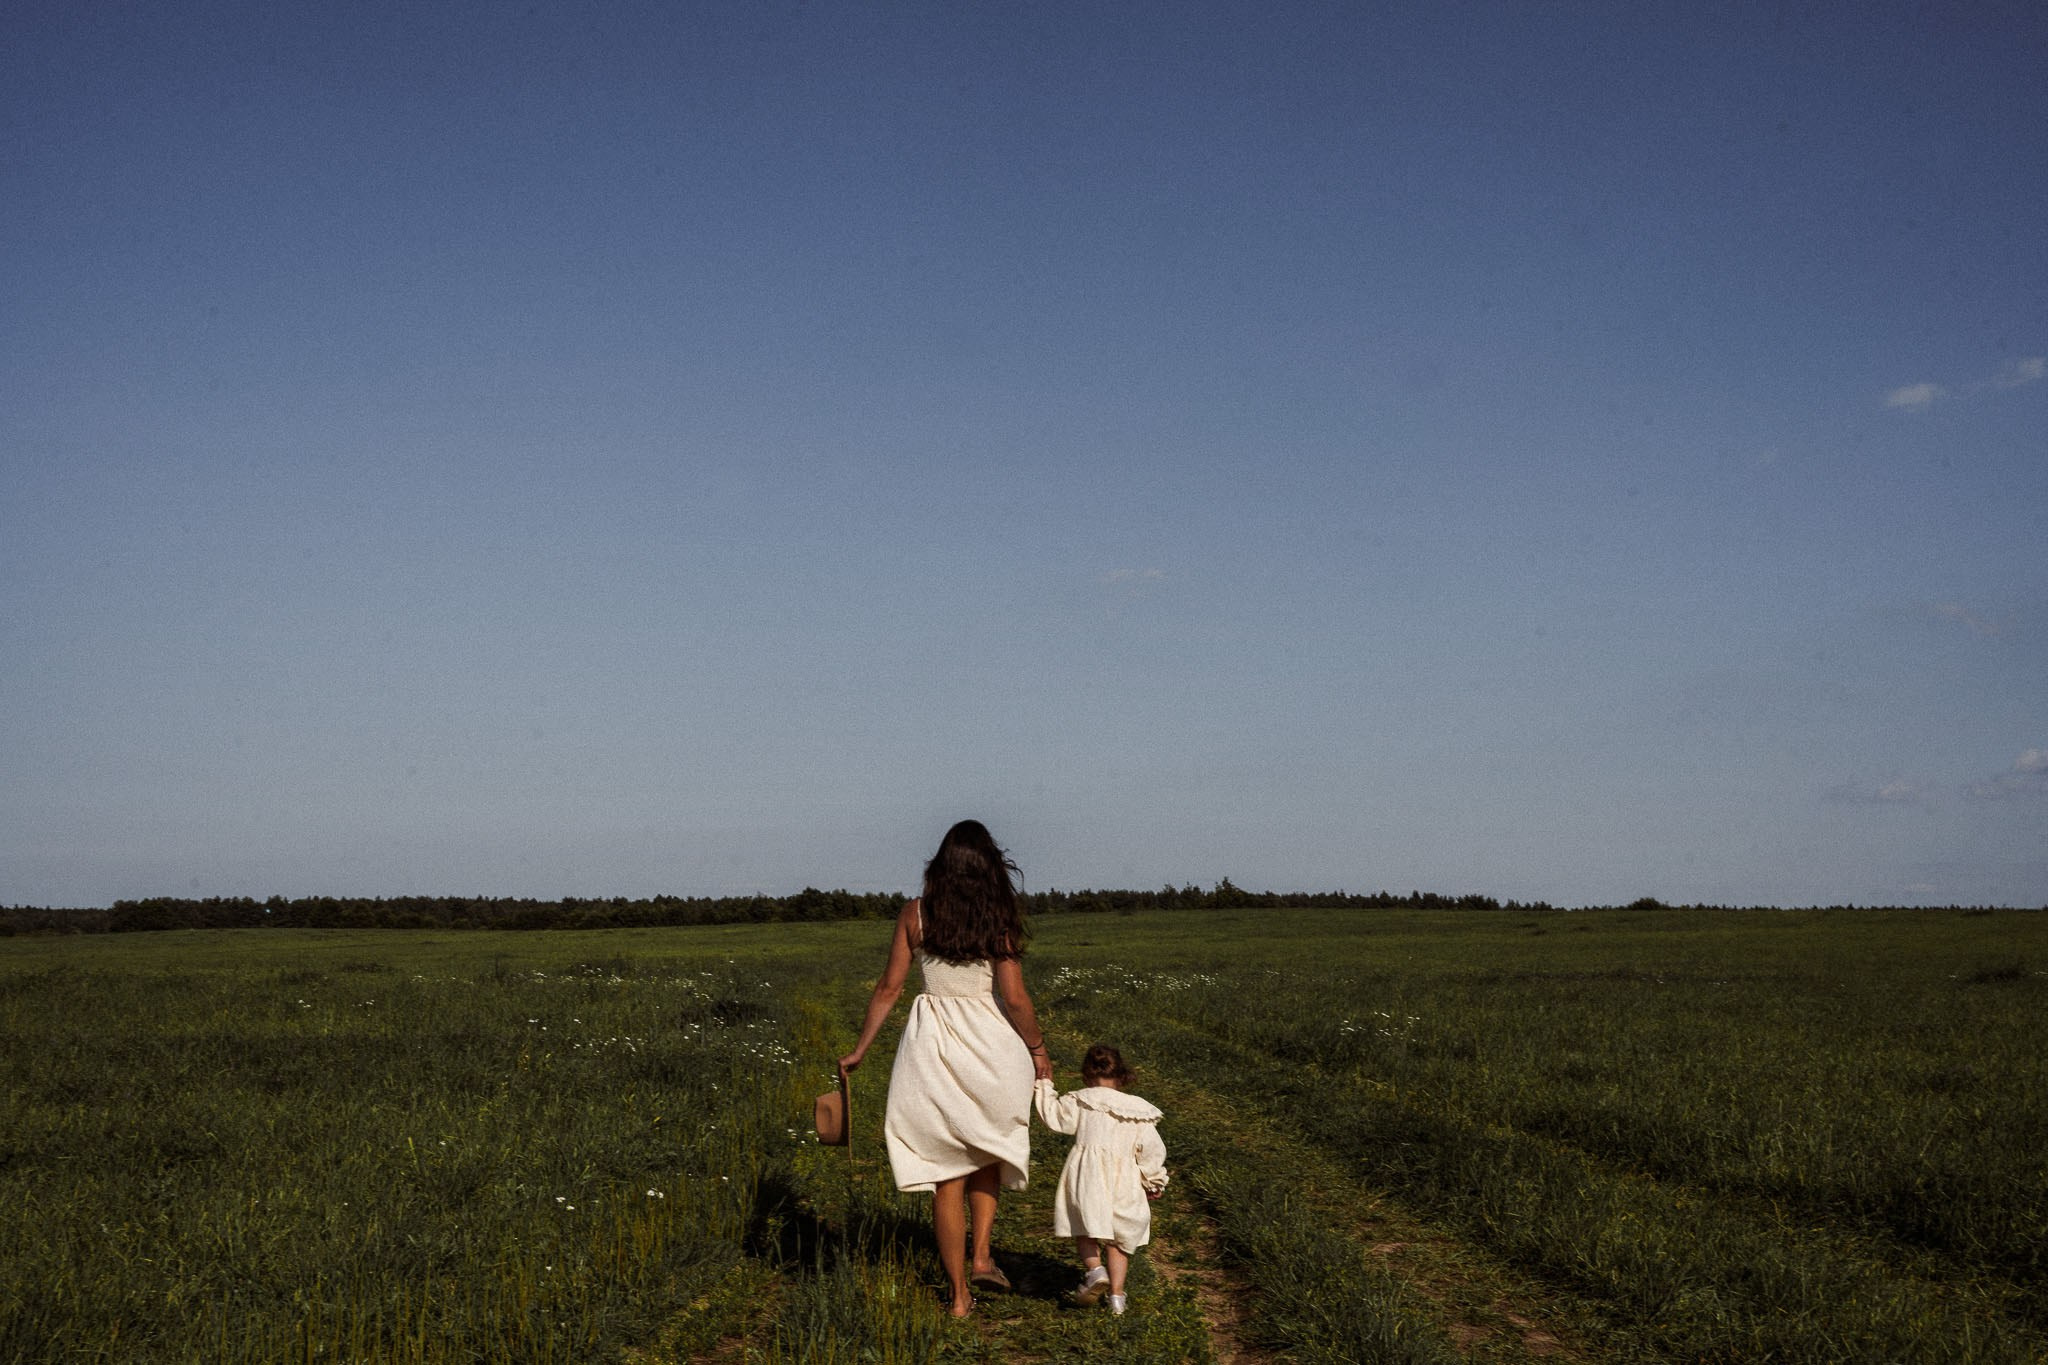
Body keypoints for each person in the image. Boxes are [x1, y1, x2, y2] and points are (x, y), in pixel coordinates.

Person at [839, 820, 1054, 1318]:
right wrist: (1039, 1050)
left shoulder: (914, 914)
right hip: (992, 1046)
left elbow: (889, 988)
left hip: (931, 1047)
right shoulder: (996, 916)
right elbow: (1015, 998)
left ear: (941, 864)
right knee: (986, 1152)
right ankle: (981, 1256)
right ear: (988, 867)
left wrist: (861, 1050)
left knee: (945, 1174)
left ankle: (959, 1297)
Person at [1034, 1043, 1169, 1316]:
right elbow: (1151, 1149)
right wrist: (1154, 1179)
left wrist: (1044, 1086)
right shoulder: (1138, 1110)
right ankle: (1117, 1298)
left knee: (1085, 1225)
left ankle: (1095, 1271)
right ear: (1122, 1075)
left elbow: (1054, 1118)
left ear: (1086, 1074)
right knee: (1120, 1237)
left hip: (1088, 1174)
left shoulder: (1081, 1100)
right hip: (1126, 1179)